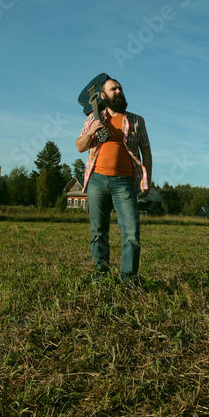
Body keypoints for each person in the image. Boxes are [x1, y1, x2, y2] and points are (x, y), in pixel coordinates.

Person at [75, 76, 152, 284]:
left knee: (131, 233)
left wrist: (147, 179)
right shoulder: (93, 119)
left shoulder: (136, 120)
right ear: (102, 96)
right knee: (98, 232)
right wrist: (92, 131)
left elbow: (146, 150)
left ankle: (129, 279)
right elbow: (80, 146)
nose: (118, 91)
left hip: (124, 182)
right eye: (113, 89)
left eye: (120, 88)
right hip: (97, 181)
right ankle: (100, 276)